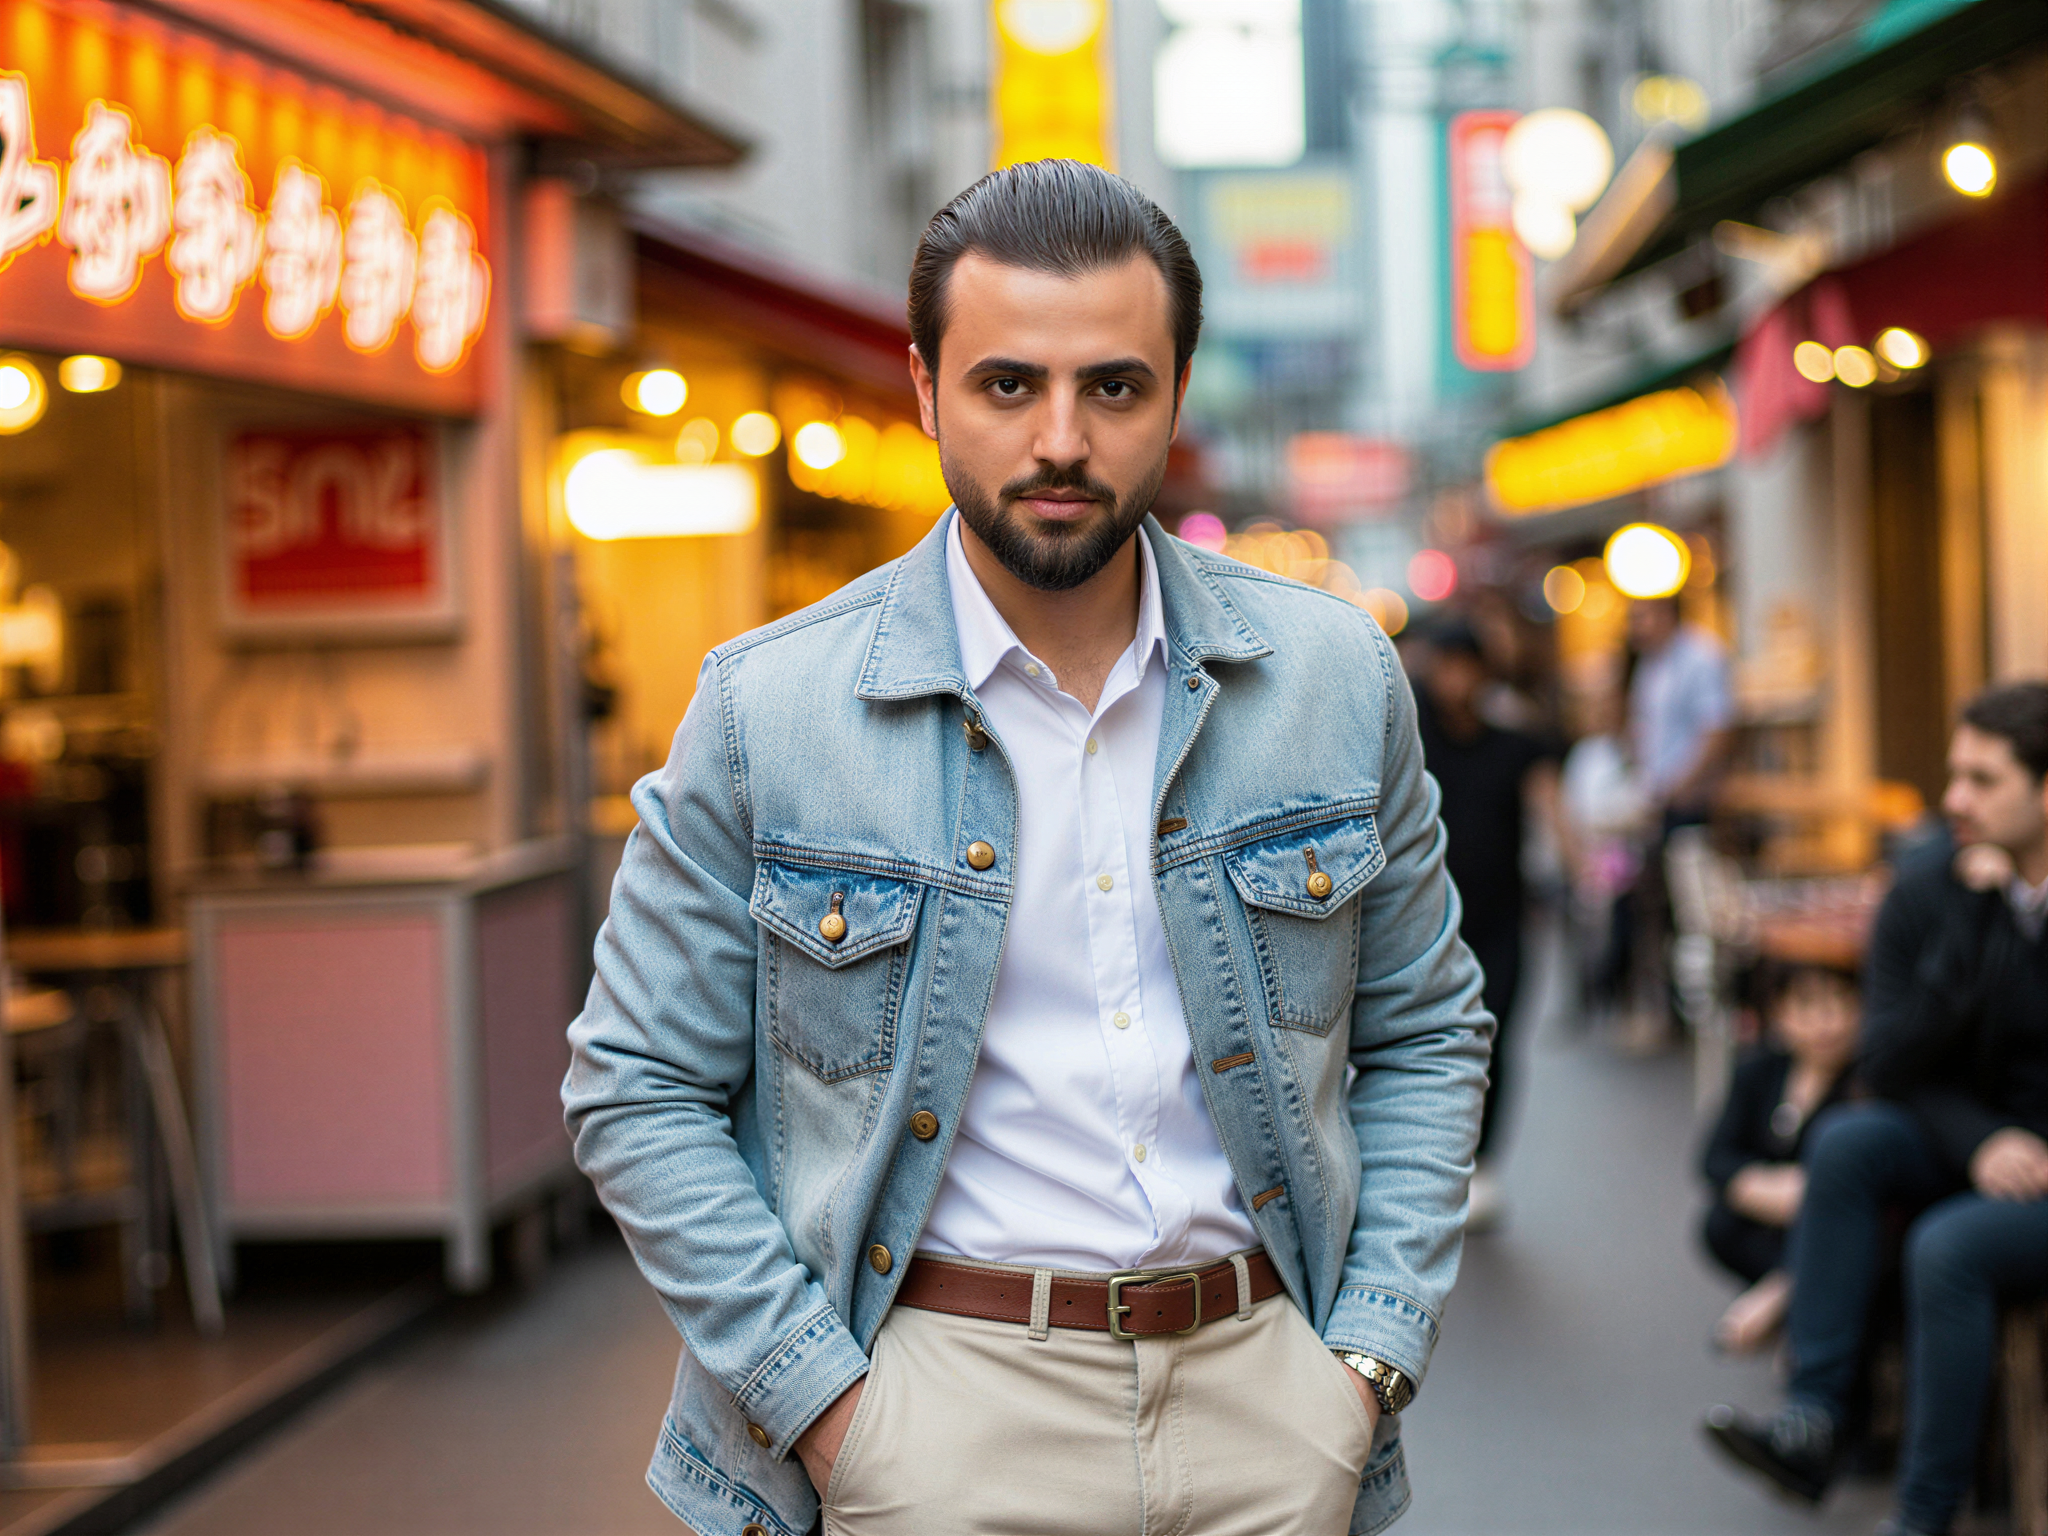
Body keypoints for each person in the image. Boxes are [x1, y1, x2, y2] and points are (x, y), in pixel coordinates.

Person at [563, 160, 1492, 1536]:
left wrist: (1364, 1364)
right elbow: (634, 1084)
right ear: (927, 390)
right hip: (934, 1410)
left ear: (1176, 393)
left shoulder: (1332, 680)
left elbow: (1428, 1031)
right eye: (1008, 385)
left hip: (1269, 1400)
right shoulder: (770, 710)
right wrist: (827, 1412)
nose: (1061, 440)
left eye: (1112, 387)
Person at [1704, 681, 2048, 1536]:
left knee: (1948, 1245)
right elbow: (1886, 1062)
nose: (1954, 799)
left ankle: (1922, 1518)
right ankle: (1814, 1419)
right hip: (1971, 1139)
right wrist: (1973, 924)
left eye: (1983, 780)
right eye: (1954, 774)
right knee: (1851, 1141)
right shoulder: (1931, 887)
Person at [1413, 619, 1558, 1229]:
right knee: (1432, 1044)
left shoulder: (1515, 745)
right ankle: (1435, 1163)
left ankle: (1484, 1162)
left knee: (1497, 1038)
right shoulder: (1413, 744)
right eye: (1445, 666)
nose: (1455, 680)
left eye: (1465, 666)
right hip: (1426, 924)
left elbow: (1551, 808)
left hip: (1502, 920)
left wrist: (1586, 870)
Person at [1698, 961, 1858, 1353]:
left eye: (1841, 1002)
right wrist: (1757, 1186)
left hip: (1834, 1229)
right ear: (1780, 1013)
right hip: (1775, 1214)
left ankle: (1785, 1299)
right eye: (1807, 1005)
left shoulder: (1863, 1087)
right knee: (1721, 1223)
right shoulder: (1760, 1069)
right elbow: (1715, 1157)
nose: (1826, 1022)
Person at [1623, 596, 1734, 1048]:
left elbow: (1717, 729)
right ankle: (1670, 1013)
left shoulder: (1701, 656)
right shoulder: (1651, 665)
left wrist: (1679, 787)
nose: (1635, 627)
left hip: (1687, 806)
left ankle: (1700, 1016)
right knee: (1656, 910)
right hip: (1658, 803)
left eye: (1642, 616)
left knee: (1692, 912)